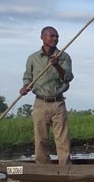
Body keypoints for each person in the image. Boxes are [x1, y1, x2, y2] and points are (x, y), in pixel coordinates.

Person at [20, 26, 74, 165]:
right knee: (41, 138)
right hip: (40, 103)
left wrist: (56, 65)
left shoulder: (63, 57)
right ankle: (42, 167)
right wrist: (25, 87)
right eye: (52, 36)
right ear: (42, 37)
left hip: (58, 102)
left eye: (57, 36)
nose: (55, 39)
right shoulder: (33, 58)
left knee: (62, 138)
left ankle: (65, 168)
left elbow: (67, 77)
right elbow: (27, 77)